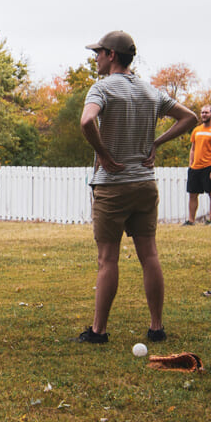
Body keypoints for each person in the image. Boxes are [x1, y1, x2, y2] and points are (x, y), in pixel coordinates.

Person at [76, 31, 196, 345]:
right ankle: (157, 327)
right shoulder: (151, 91)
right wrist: (156, 142)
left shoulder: (101, 88)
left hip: (113, 187)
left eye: (98, 52)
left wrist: (103, 154)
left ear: (111, 55)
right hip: (145, 184)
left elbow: (87, 121)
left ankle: (98, 331)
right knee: (149, 255)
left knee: (108, 259)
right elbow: (190, 117)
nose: (96, 57)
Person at [184, 105, 211, 225]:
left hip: (209, 166)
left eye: (206, 113)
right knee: (192, 194)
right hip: (195, 167)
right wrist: (191, 164)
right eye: (202, 113)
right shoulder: (196, 130)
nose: (204, 115)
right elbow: (193, 148)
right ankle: (191, 220)